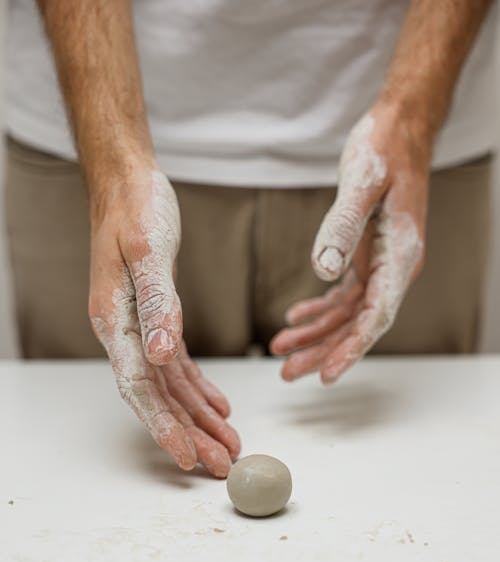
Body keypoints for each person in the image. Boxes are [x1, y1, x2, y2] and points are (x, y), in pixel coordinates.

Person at [4, 0, 496, 477]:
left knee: (417, 474)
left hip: (417, 131)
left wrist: (412, 117)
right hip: (90, 126)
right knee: (74, 471)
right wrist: (114, 167)